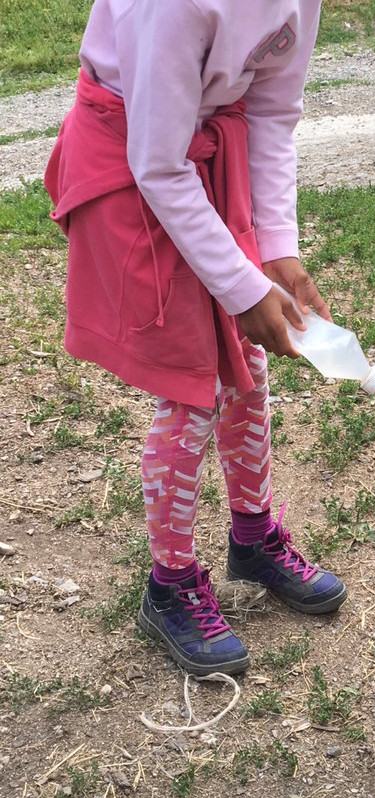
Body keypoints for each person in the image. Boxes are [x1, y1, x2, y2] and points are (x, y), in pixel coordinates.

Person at [44, 0, 347, 676]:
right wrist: (242, 288)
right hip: (134, 157)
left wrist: (278, 248)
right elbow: (156, 163)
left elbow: (272, 111)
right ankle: (170, 584)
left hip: (204, 148)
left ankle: (253, 537)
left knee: (245, 359)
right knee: (193, 382)